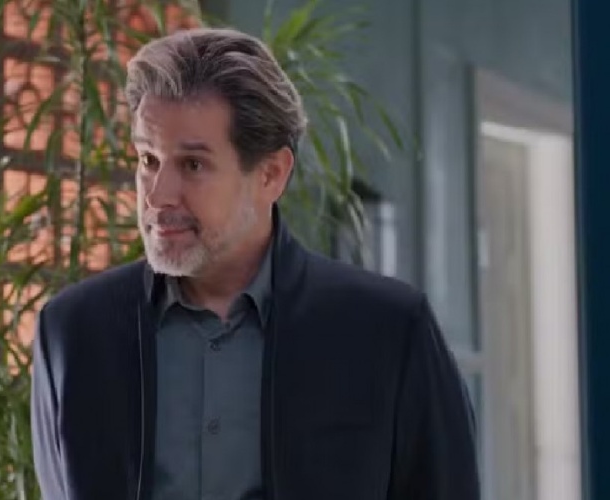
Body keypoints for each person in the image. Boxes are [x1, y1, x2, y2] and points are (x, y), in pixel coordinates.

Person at [30, 27, 480, 500]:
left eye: (193, 165)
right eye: (148, 160)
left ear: (271, 174)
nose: (158, 195)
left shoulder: (389, 331)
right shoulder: (72, 333)